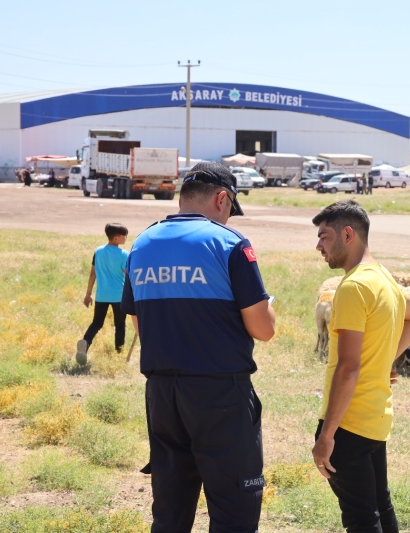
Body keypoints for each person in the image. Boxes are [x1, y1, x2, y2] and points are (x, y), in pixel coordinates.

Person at [121, 161, 275, 533]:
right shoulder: (228, 243)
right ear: (222, 198)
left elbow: (140, 323)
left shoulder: (142, 243)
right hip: (219, 393)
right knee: (234, 509)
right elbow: (263, 329)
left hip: (162, 395)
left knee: (170, 509)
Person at [311, 200, 410, 533]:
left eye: (324, 236)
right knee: (379, 507)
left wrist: (327, 434)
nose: (319, 245)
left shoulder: (353, 286)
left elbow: (348, 368)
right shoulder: (383, 278)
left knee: (361, 519)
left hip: (350, 422)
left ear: (348, 234)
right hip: (376, 418)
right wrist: (386, 356)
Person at [76, 222, 130, 365]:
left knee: (97, 323)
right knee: (120, 325)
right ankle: (119, 354)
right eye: (125, 235)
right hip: (119, 296)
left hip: (102, 295)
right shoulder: (124, 254)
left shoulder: (98, 251)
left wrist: (88, 294)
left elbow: (92, 274)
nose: (126, 238)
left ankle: (85, 343)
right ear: (116, 238)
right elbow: (128, 275)